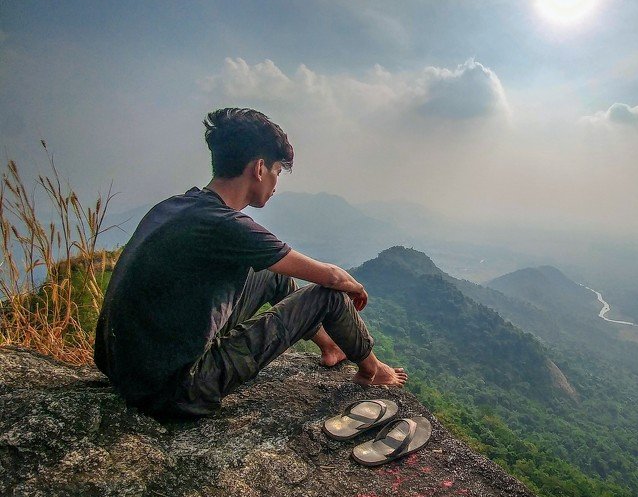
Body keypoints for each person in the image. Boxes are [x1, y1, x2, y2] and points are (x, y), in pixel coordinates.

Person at [94, 108, 406, 417]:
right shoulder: (225, 224)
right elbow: (331, 278)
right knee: (329, 296)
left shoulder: (178, 206)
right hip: (177, 389)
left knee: (273, 277)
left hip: (125, 369)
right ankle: (372, 370)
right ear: (259, 168)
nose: (276, 184)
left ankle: (330, 347)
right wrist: (354, 285)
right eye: (277, 173)